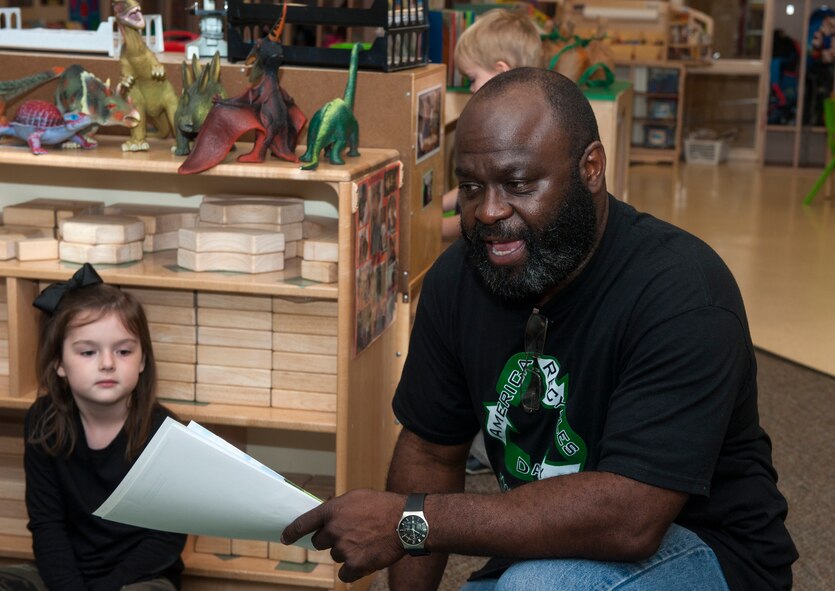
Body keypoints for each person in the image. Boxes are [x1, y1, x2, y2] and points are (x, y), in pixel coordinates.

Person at [281, 68, 798, 590]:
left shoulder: (682, 292)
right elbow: (430, 451)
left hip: (707, 551)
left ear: (590, 168)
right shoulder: (457, 280)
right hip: (544, 554)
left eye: (519, 184)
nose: (489, 211)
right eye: (471, 187)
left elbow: (629, 520)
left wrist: (411, 520)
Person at [0, 264, 187, 591]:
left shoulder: (167, 433)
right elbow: (47, 525)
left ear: (142, 360)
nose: (107, 363)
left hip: (140, 578)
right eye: (88, 351)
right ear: (59, 362)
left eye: (124, 351)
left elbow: (165, 540)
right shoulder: (43, 421)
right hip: (65, 575)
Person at [442, 8, 543, 242]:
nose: (471, 88)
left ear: (500, 72)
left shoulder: (514, 137)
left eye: (472, 78)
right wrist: (441, 203)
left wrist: (431, 228)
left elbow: (481, 216)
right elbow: (476, 189)